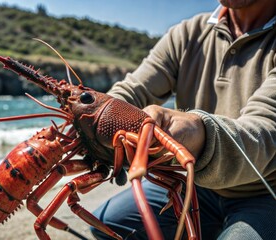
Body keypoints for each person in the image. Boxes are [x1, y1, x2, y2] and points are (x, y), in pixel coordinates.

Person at [91, 0, 276, 239]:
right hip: (197, 185)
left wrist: (198, 131)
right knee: (107, 223)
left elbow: (264, 131)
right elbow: (132, 91)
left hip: (266, 192)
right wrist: (97, 115)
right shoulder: (187, 33)